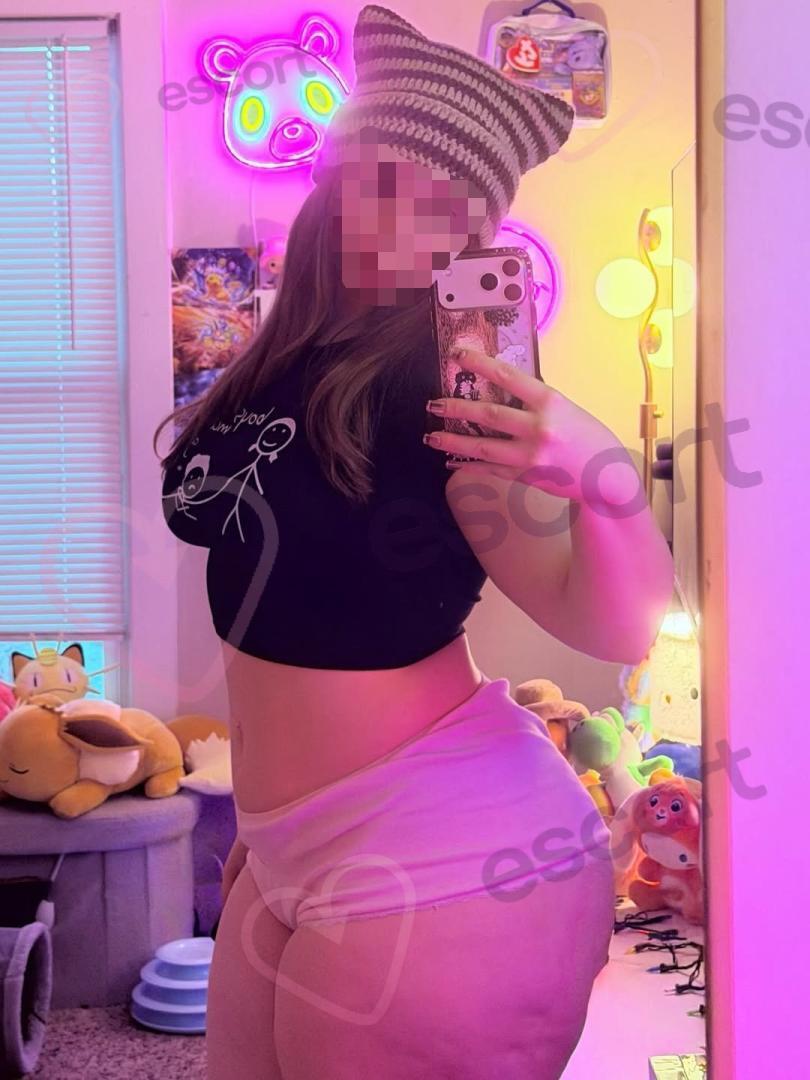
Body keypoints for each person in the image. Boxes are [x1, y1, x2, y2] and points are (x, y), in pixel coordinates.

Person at [154, 6, 674, 1078]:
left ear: (477, 239)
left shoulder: (451, 392)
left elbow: (613, 624)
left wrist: (603, 471)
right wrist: (270, 818)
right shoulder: (283, 360)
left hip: (443, 846)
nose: (394, 219)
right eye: (377, 179)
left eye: (442, 207)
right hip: (293, 839)